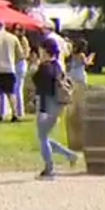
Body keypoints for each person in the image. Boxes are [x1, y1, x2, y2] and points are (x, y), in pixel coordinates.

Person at [31, 39, 80, 179]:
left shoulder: (44, 68)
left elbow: (37, 84)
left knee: (42, 137)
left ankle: (49, 169)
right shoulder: (57, 66)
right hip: (57, 106)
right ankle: (70, 155)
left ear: (45, 51)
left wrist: (34, 66)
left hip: (46, 105)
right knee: (43, 137)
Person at [11, 30, 32, 122]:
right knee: (15, 89)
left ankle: (19, 111)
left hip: (19, 65)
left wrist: (18, 55)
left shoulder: (23, 40)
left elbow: (25, 54)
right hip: (16, 64)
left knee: (17, 89)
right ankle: (17, 110)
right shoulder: (14, 40)